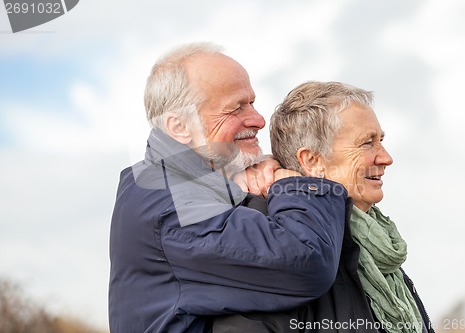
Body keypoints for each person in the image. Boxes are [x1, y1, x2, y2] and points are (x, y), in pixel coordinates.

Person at [108, 44, 350, 333]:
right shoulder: (166, 203)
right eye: (236, 108)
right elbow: (306, 259)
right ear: (180, 127)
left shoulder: (200, 184)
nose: (258, 120)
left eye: (251, 102)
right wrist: (292, 184)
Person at [214, 81, 435, 333]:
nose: (386, 157)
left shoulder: (376, 251)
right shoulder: (270, 241)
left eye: (381, 140)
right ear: (312, 161)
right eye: (367, 143)